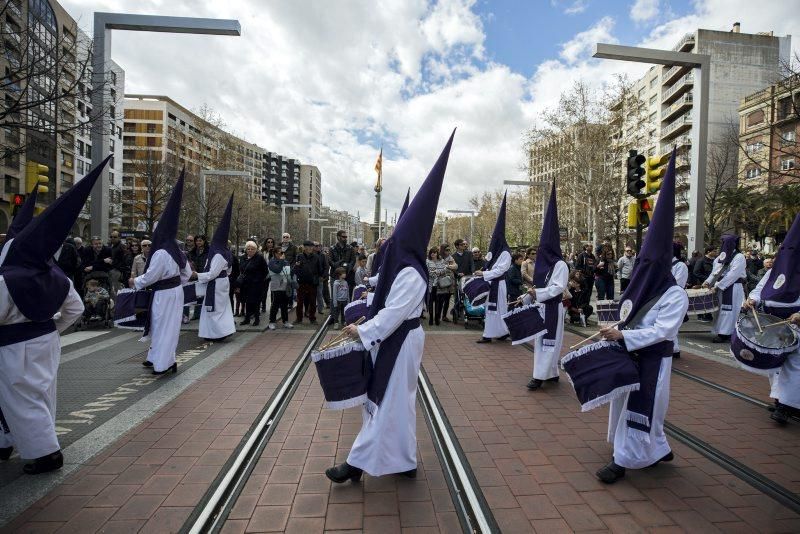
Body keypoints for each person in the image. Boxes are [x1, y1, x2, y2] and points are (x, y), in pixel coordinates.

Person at [326, 130, 454, 484]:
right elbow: (387, 305)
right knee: (396, 402)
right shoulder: (403, 267)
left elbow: (396, 313)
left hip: (400, 341)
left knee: (386, 400)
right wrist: (369, 321)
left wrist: (362, 329)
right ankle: (404, 459)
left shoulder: (412, 273)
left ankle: (355, 464)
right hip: (392, 339)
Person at [0, 156, 108, 474]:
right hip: (45, 340)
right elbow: (75, 308)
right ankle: (10, 440)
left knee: (21, 398)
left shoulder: (6, 279)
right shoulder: (57, 275)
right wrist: (52, 328)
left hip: (13, 346)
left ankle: (45, 452)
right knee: (41, 393)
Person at [595, 150, 688, 484]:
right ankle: (657, 447)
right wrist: (614, 328)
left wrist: (625, 336)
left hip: (653, 359)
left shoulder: (674, 293)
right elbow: (628, 316)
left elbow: (663, 331)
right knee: (627, 404)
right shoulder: (639, 288)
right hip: (629, 353)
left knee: (644, 405)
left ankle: (626, 460)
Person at [134, 171, 194, 375]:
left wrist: (136, 280)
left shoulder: (160, 252)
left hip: (163, 295)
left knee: (162, 328)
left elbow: (151, 276)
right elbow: (186, 272)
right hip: (176, 292)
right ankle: (157, 358)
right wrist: (178, 284)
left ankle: (163, 363)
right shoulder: (177, 250)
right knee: (169, 327)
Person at [744, 213, 800, 424]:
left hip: (795, 321)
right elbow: (761, 288)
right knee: (775, 364)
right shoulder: (777, 269)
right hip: (771, 321)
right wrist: (752, 300)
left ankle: (786, 406)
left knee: (794, 366)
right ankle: (782, 400)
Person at [526, 183, 568, 390]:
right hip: (541, 307)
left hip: (552, 307)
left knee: (549, 341)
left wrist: (538, 292)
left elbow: (558, 287)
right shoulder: (542, 265)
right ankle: (550, 372)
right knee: (541, 342)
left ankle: (539, 376)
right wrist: (532, 294)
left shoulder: (560, 264)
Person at [196, 196, 236, 341]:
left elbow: (212, 273)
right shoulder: (226, 252)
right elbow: (229, 270)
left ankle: (219, 333)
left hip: (217, 284)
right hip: (223, 282)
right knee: (222, 308)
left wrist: (197, 275)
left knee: (215, 310)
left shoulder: (218, 254)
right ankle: (216, 332)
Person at [476, 192, 511, 344]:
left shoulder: (505, 253)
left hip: (499, 285)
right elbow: (488, 265)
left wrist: (484, 274)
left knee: (497, 310)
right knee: (491, 311)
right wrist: (483, 272)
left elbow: (500, 271)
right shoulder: (495, 252)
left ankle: (490, 334)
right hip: (491, 284)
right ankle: (498, 332)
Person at [702, 234, 745, 343]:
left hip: (733, 286)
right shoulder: (719, 258)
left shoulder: (739, 257)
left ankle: (725, 333)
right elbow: (715, 272)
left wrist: (718, 286)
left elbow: (733, 274)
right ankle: (720, 330)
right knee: (719, 309)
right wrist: (707, 282)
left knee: (730, 310)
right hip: (719, 286)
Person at [238, 241, 268, 326]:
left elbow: (265, 270)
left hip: (256, 284)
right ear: (246, 250)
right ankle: (247, 319)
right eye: (248, 249)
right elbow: (241, 268)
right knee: (247, 301)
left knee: (256, 302)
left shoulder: (259, 258)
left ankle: (257, 319)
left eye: (252, 249)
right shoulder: (243, 258)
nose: (250, 250)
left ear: (256, 250)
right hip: (246, 283)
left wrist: (259, 279)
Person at [294, 240, 322, 324]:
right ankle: (299, 319)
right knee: (300, 302)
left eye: (311, 246)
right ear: (304, 247)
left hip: (312, 283)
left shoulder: (316, 257)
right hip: (302, 282)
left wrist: (318, 277)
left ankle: (312, 318)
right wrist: (298, 271)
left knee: (313, 301)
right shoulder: (299, 256)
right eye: (308, 247)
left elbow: (319, 269)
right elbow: (296, 269)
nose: (310, 248)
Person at [671, 242, 689, 359]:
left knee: (672, 324)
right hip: (665, 296)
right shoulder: (665, 265)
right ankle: (673, 348)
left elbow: (678, 284)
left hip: (675, 297)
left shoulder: (681, 266)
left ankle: (674, 349)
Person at [267, 248, 292, 329]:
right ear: (274, 253)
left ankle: (286, 321)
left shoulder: (286, 262)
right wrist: (281, 261)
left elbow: (288, 273)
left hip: (285, 286)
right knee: (275, 304)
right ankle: (272, 321)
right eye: (279, 252)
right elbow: (277, 270)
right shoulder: (272, 262)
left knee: (284, 304)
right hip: (276, 286)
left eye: (282, 252)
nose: (281, 254)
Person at [426, 248, 449, 326]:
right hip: (431, 285)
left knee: (438, 302)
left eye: (434, 252)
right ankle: (431, 318)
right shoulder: (427, 261)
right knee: (430, 302)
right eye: (431, 253)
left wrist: (437, 272)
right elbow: (427, 272)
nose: (433, 254)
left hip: (440, 285)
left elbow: (445, 270)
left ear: (437, 253)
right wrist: (434, 273)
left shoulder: (441, 261)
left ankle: (437, 318)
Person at [260, 237, 275, 313]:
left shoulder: (275, 252)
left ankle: (273, 305)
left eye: (271, 242)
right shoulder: (263, 252)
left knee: (273, 290)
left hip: (273, 273)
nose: (270, 244)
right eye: (268, 242)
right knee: (264, 291)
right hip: (264, 273)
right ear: (266, 243)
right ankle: (263, 306)